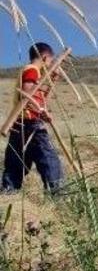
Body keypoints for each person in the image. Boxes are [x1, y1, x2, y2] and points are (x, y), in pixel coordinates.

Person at [1, 42, 64, 193]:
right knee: (48, 159)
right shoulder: (32, 70)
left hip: (19, 123)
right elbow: (27, 93)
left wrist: (52, 80)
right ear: (44, 57)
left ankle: (8, 191)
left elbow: (36, 93)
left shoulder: (29, 71)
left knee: (16, 162)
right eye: (49, 61)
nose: (49, 64)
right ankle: (56, 191)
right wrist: (42, 111)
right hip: (31, 123)